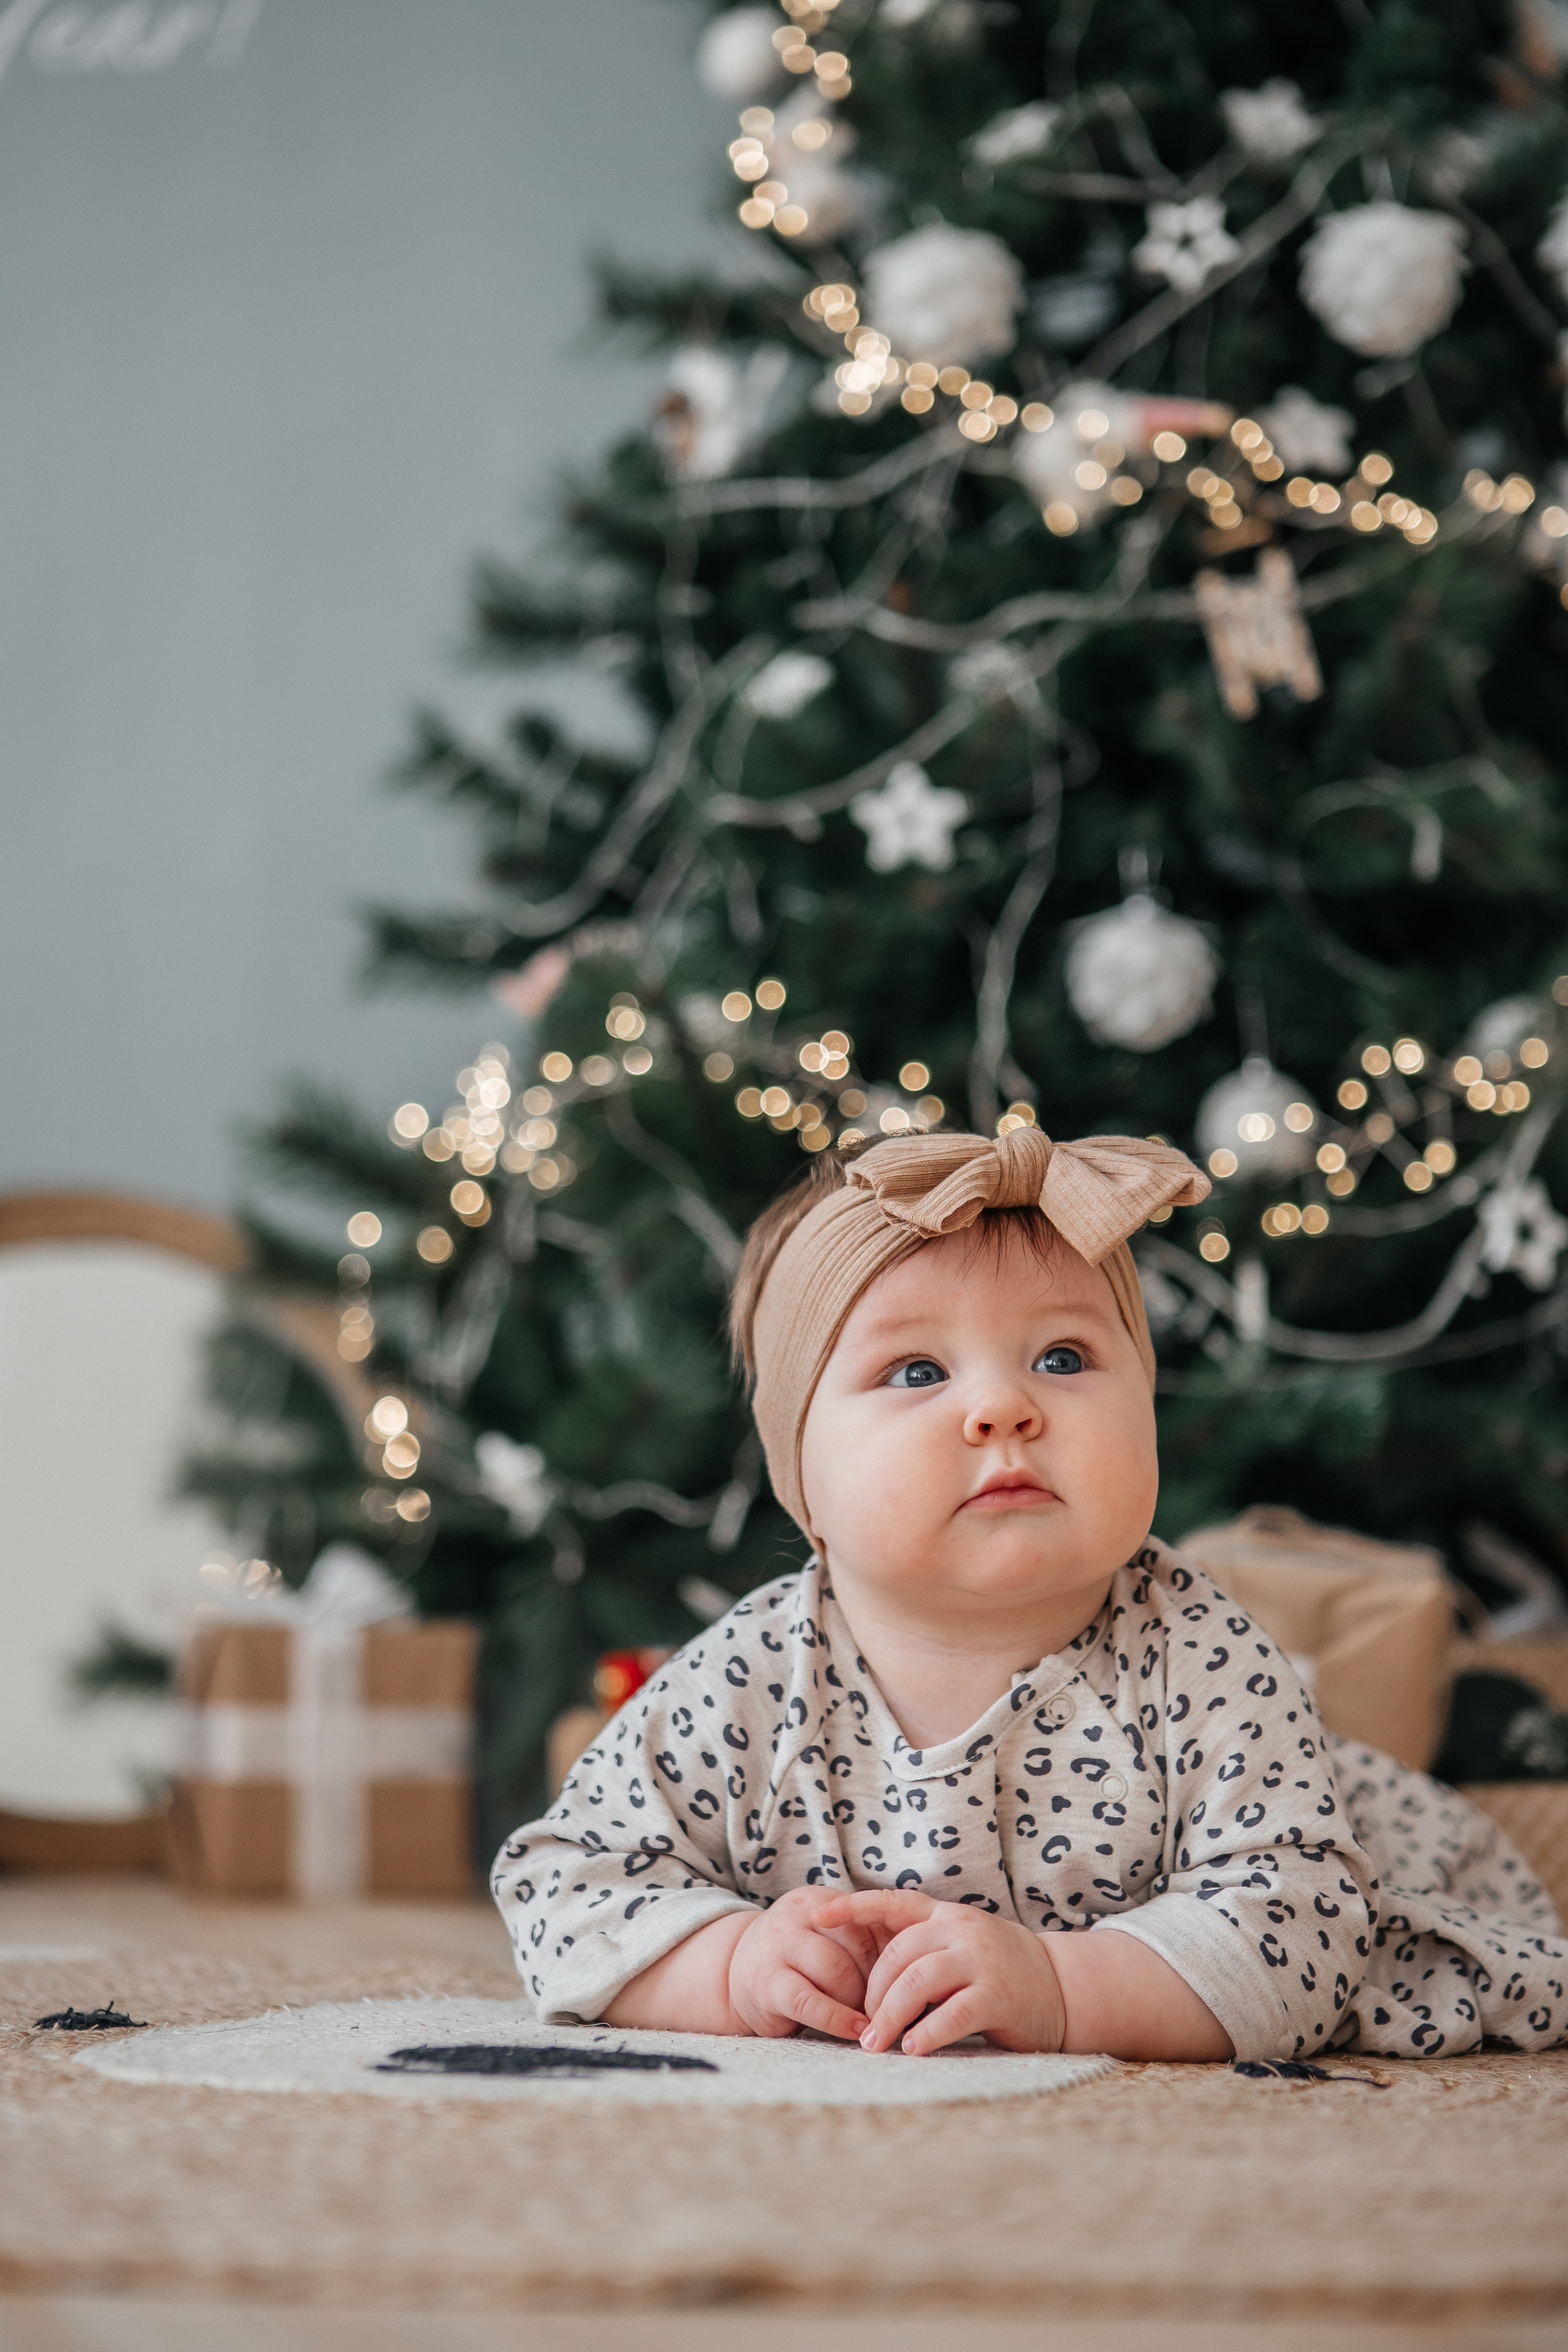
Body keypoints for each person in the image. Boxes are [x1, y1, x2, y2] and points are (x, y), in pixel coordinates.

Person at [492, 1127, 1566, 2061]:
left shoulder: (1195, 1654)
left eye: (1062, 1355)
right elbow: (563, 1888)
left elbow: (1302, 1932)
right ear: (801, 1474)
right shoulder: (749, 1677)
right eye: (916, 1372)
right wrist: (729, 1963)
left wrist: (1061, 1986)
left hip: (1355, 1846)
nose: (1003, 1406)